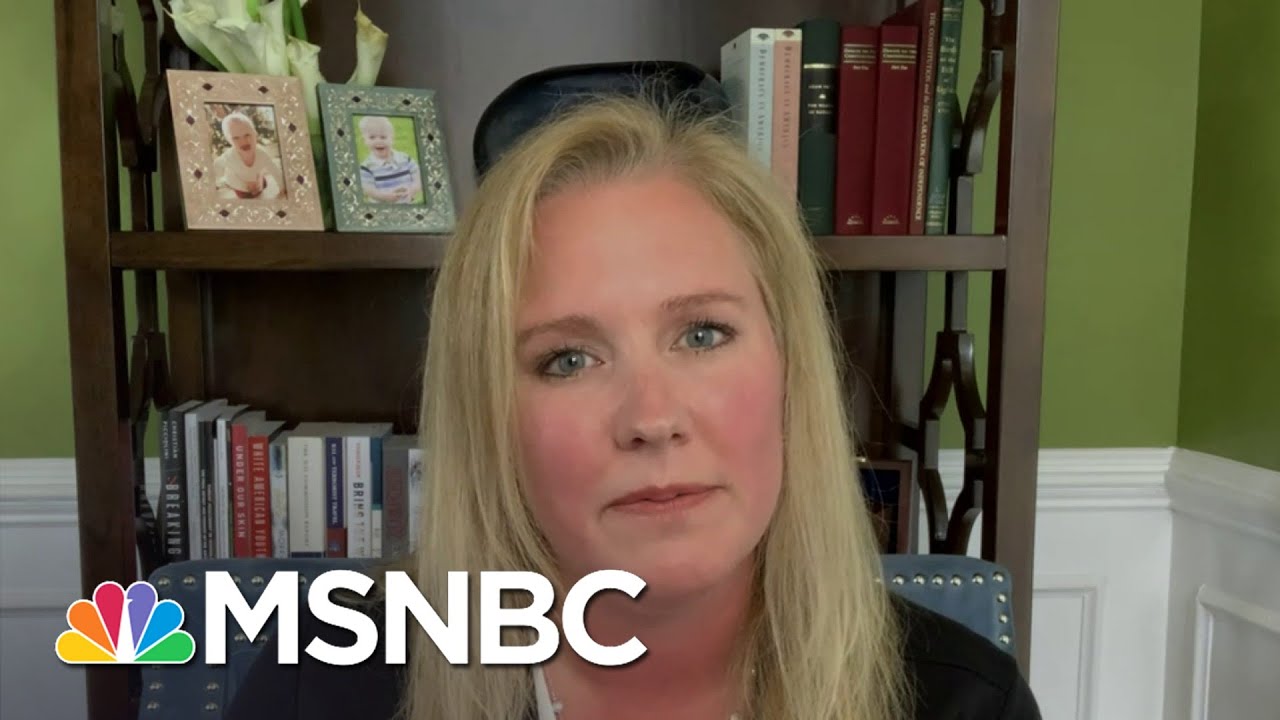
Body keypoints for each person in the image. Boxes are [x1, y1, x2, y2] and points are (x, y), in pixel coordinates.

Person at [225, 91, 1042, 720]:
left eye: (703, 334)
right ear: (492, 420)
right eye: (567, 359)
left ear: (791, 370)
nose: (652, 417)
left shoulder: (964, 703)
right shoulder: (322, 688)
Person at [213, 111, 285, 200]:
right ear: (229, 141)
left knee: (264, 184)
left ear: (255, 134)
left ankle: (260, 177)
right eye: (236, 138)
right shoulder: (229, 156)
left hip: (255, 176)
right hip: (240, 184)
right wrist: (245, 185)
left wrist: (282, 187)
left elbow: (274, 169)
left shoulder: (261, 153)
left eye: (247, 135)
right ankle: (243, 184)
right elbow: (215, 168)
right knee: (243, 193)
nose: (243, 141)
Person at [358, 115, 423, 204]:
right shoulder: (366, 167)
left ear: (392, 138)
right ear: (364, 140)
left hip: (407, 206)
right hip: (382, 209)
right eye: (372, 137)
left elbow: (418, 177)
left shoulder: (405, 159)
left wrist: (412, 189)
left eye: (383, 137)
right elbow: (368, 190)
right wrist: (384, 196)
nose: (378, 141)